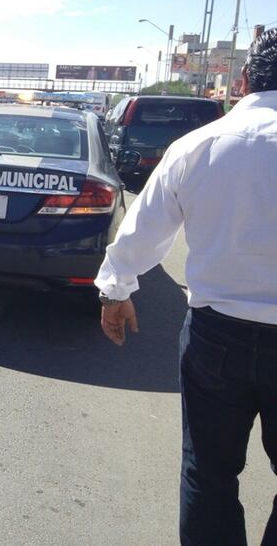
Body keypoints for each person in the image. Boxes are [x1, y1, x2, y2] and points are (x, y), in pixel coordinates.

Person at [95, 28, 277, 545]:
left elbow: (141, 231)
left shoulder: (199, 146)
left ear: (242, 79)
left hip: (217, 339)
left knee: (210, 475)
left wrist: (116, 291)